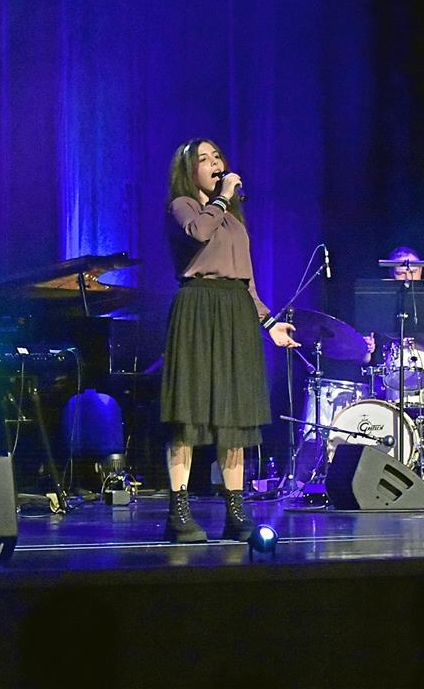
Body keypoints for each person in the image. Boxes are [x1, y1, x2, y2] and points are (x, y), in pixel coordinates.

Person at [160, 138, 299, 543]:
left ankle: (235, 509)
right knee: (188, 412)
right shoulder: (183, 206)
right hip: (198, 306)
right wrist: (221, 197)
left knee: (234, 415)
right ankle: (178, 510)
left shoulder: (235, 223)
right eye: (203, 160)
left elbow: (246, 280)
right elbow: (199, 232)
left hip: (235, 309)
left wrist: (269, 322)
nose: (213, 164)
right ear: (190, 172)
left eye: (216, 157)